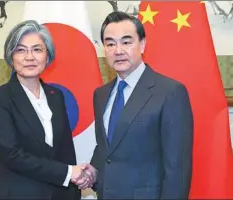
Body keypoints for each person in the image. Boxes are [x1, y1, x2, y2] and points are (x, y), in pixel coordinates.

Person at [76, 11, 194, 199]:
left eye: (126, 42)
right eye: (110, 44)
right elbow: (107, 149)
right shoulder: (101, 94)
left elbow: (177, 170)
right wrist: (93, 172)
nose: (118, 50)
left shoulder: (170, 92)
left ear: (142, 44)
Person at [0, 20, 92, 200]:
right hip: (18, 193)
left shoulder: (55, 96)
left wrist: (75, 183)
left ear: (47, 56)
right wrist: (67, 173)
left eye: (37, 49)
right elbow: (12, 155)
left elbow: (66, 151)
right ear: (11, 57)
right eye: (20, 50)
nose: (29, 57)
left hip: (58, 193)